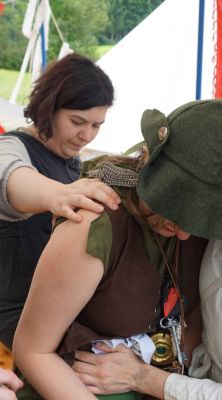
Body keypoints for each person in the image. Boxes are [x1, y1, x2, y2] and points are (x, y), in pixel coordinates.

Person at [12, 99, 221, 400]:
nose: (186, 233)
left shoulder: (209, 235)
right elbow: (33, 351)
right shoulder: (94, 224)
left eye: (199, 218)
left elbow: (195, 315)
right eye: (175, 212)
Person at [0, 52, 121, 352]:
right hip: (17, 320)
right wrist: (57, 195)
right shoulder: (13, 147)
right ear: (48, 107)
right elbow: (10, 176)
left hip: (62, 311)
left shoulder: (73, 161)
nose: (86, 135)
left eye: (97, 125)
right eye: (78, 121)